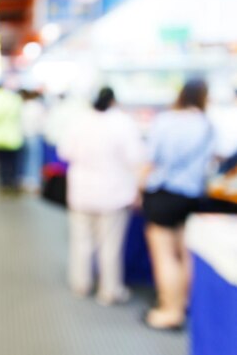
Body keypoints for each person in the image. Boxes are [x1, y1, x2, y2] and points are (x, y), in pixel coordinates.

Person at [59, 87, 144, 306]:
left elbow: (64, 152)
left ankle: (81, 283)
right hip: (114, 192)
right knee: (110, 245)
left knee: (81, 240)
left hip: (81, 190)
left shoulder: (78, 121)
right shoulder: (123, 123)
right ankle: (110, 290)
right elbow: (135, 157)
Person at [142, 79, 215, 330]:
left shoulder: (166, 121)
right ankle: (183, 303)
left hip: (164, 193)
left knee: (164, 255)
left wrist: (138, 188)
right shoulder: (206, 124)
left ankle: (169, 310)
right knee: (184, 254)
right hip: (192, 196)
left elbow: (151, 158)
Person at [0, 84, 24, 194]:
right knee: (12, 162)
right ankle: (11, 184)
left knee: (1, 163)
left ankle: (3, 184)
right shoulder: (15, 99)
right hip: (13, 137)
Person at [20, 90, 46, 192]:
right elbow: (43, 124)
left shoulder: (23, 106)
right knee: (34, 160)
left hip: (23, 135)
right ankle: (34, 182)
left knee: (24, 159)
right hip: (34, 136)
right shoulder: (38, 107)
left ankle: (24, 180)